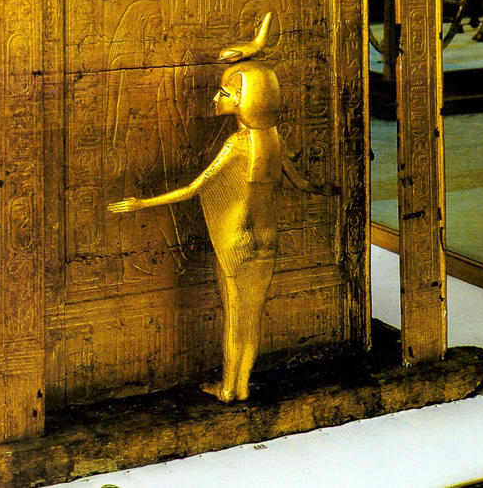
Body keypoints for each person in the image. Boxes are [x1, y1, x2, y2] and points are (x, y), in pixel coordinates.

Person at [108, 57, 331, 403]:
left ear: (244, 100)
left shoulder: (237, 144)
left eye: (224, 93)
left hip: (236, 239)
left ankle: (229, 388)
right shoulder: (274, 139)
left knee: (235, 317)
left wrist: (142, 203)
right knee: (252, 318)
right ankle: (242, 385)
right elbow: (302, 184)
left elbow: (193, 189)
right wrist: (330, 189)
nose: (216, 98)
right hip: (267, 238)